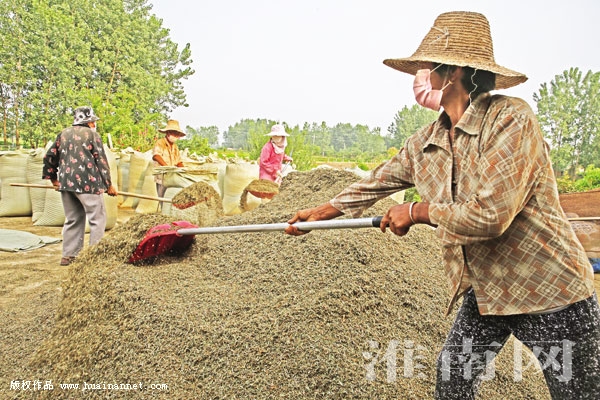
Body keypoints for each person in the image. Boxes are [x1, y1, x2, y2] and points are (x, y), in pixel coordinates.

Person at [285, 11, 599, 399]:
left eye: (429, 65)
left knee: (578, 393)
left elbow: (491, 215)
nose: (422, 74)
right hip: (485, 289)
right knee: (453, 380)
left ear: (454, 71)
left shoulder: (510, 120)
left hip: (548, 289)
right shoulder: (426, 141)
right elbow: (376, 182)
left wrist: (417, 211)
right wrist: (317, 215)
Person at [43, 106, 118, 266]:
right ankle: (94, 258)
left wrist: (54, 180)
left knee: (73, 219)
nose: (94, 124)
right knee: (97, 219)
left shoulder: (63, 134)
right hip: (88, 184)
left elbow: (49, 157)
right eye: (93, 122)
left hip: (66, 184)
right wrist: (108, 185)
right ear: (88, 122)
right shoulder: (92, 135)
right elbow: (101, 161)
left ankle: (69, 255)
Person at [152, 119, 185, 201]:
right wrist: (167, 167)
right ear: (168, 133)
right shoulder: (160, 143)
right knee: (162, 199)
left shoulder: (175, 147)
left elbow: (179, 161)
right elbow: (156, 156)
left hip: (172, 178)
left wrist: (184, 171)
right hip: (162, 177)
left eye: (177, 134)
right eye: (174, 133)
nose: (176, 136)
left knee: (171, 198)